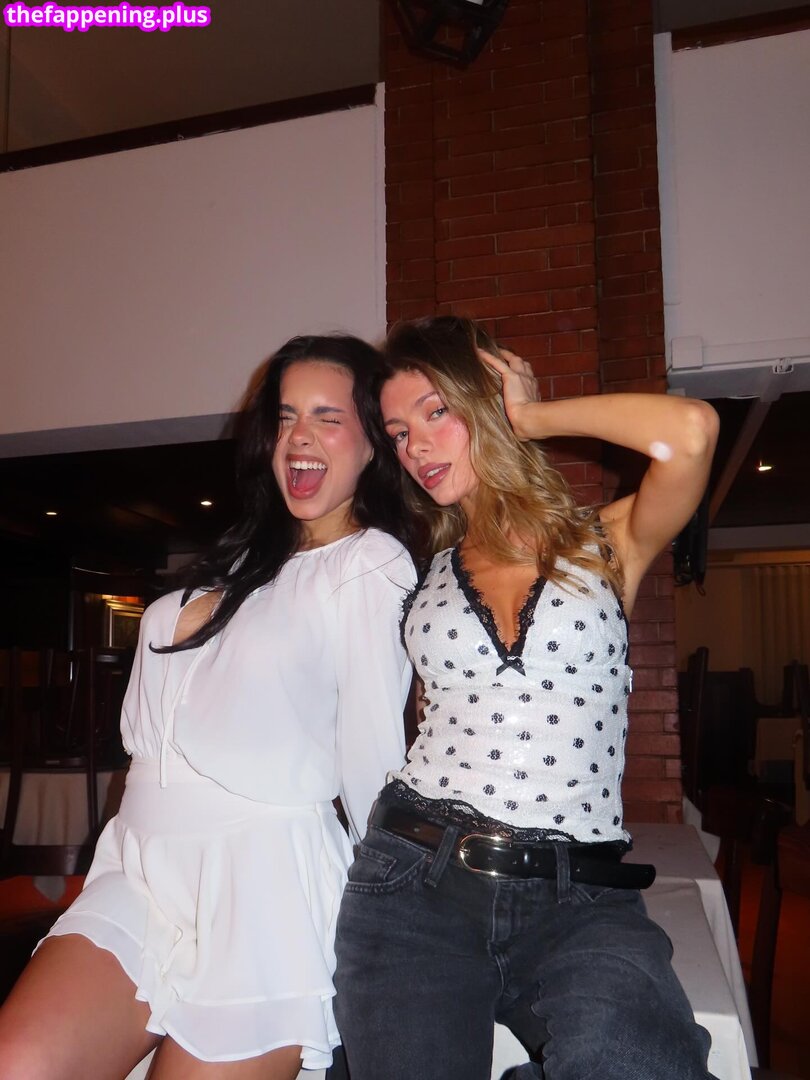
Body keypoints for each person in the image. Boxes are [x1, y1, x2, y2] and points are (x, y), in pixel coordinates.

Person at [0, 335, 416, 1080]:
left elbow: (374, 759)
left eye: (328, 417)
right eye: (287, 416)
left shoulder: (368, 564)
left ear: (371, 445)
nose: (300, 435)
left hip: (261, 888)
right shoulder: (241, 560)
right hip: (139, 869)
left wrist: (399, 919)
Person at [333, 316, 720, 1080]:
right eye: (400, 432)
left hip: (579, 894)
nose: (416, 447)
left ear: (488, 401)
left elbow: (692, 432)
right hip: (416, 878)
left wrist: (532, 417)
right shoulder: (423, 572)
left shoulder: (606, 541)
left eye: (437, 412)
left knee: (638, 1062)